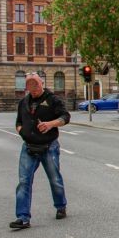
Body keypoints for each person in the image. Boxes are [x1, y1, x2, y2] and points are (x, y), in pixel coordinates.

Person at [10, 73, 71, 229]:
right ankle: (23, 217)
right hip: (29, 147)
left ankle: (60, 206)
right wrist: (21, 130)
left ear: (41, 83)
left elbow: (66, 116)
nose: (34, 88)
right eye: (30, 86)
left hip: (49, 146)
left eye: (36, 84)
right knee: (24, 182)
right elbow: (18, 121)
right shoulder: (23, 102)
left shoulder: (52, 100)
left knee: (54, 179)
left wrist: (50, 124)